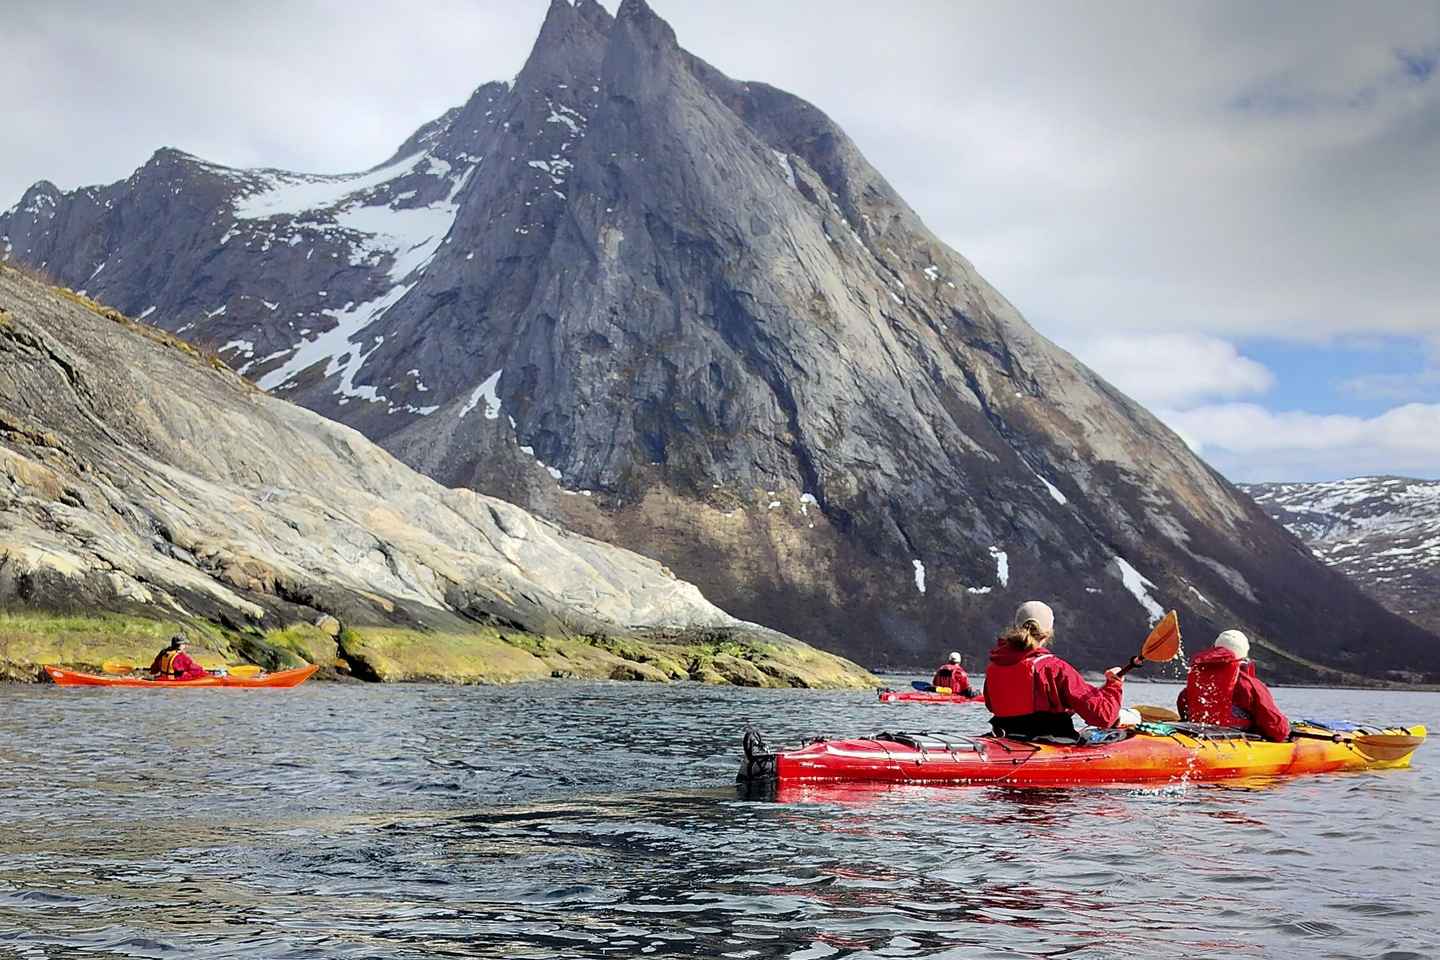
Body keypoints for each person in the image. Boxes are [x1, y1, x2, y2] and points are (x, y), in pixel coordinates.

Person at [984, 600, 1127, 740]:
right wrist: (1114, 684)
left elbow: (993, 706)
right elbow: (1104, 717)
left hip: (1004, 737)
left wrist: (1060, 706)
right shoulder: (1054, 668)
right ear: (1048, 632)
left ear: (1016, 627)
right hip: (1048, 742)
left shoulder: (994, 666)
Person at [1177, 630, 1290, 742]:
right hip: (1232, 741)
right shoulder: (1249, 684)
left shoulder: (1197, 680)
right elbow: (1278, 730)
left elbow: (1183, 705)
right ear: (1244, 654)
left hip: (1199, 736)